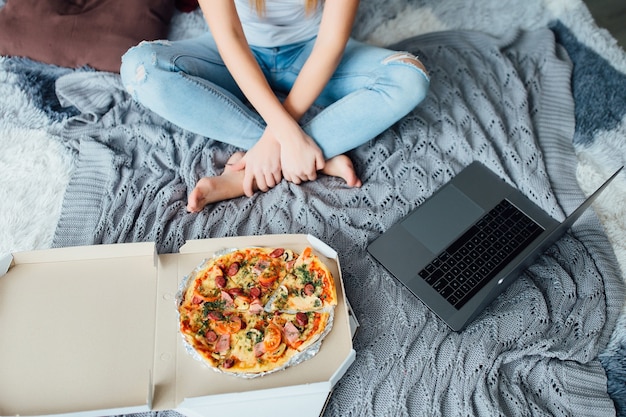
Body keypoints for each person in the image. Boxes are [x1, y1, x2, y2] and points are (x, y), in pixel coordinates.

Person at [120, 0, 430, 213]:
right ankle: (313, 157)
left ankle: (256, 169)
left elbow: (330, 44)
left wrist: (277, 139)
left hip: (312, 54)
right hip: (233, 55)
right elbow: (230, 38)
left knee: (409, 78)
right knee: (141, 69)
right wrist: (289, 138)